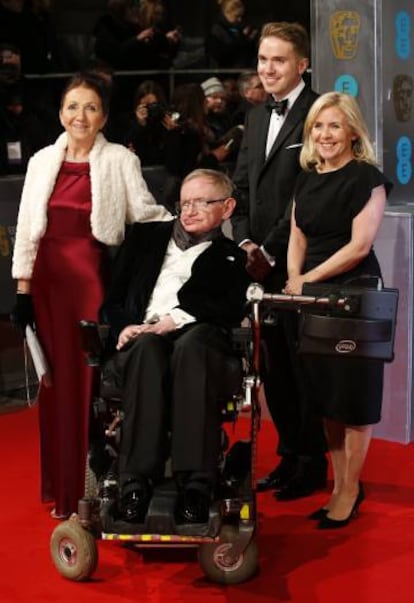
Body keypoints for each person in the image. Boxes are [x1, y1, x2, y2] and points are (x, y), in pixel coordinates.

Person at [11, 71, 172, 520]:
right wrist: (22, 290)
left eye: (91, 107)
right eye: (72, 106)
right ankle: (61, 490)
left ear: (103, 116)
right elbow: (27, 227)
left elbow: (145, 213)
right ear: (61, 112)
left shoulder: (120, 159)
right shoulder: (42, 160)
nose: (80, 116)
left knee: (87, 384)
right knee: (54, 384)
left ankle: (88, 490)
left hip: (89, 282)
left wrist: (196, 220)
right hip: (44, 284)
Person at [101, 168, 250, 525]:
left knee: (193, 346)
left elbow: (226, 308)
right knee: (148, 348)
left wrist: (175, 320)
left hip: (197, 342)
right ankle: (134, 484)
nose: (190, 210)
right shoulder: (145, 240)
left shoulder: (230, 257)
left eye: (202, 202)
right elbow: (113, 301)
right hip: (142, 337)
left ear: (227, 207)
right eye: (185, 202)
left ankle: (196, 486)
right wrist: (125, 328)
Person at [284, 91, 392, 528]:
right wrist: (294, 278)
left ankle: (349, 488)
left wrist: (308, 280)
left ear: (351, 131)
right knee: (327, 398)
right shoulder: (306, 178)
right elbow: (297, 235)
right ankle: (339, 485)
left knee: (355, 398)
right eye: (318, 126)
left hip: (354, 292)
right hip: (311, 296)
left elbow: (359, 246)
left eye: (334, 125)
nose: (325, 134)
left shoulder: (367, 177)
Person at [231, 21, 327, 500]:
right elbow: (242, 185)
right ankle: (289, 455)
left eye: (279, 60)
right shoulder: (253, 115)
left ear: (302, 64)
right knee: (271, 365)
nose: (268, 69)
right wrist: (246, 241)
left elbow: (303, 192)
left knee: (300, 363)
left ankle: (312, 463)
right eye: (263, 59)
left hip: (298, 261)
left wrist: (268, 249)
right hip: (258, 261)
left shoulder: (318, 113)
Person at [206, 0, 257, 68]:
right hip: (223, 72)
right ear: (226, 13)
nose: (240, 20)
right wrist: (243, 39)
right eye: (236, 16)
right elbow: (221, 56)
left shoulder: (240, 29)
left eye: (241, 16)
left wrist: (250, 40)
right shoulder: (216, 31)